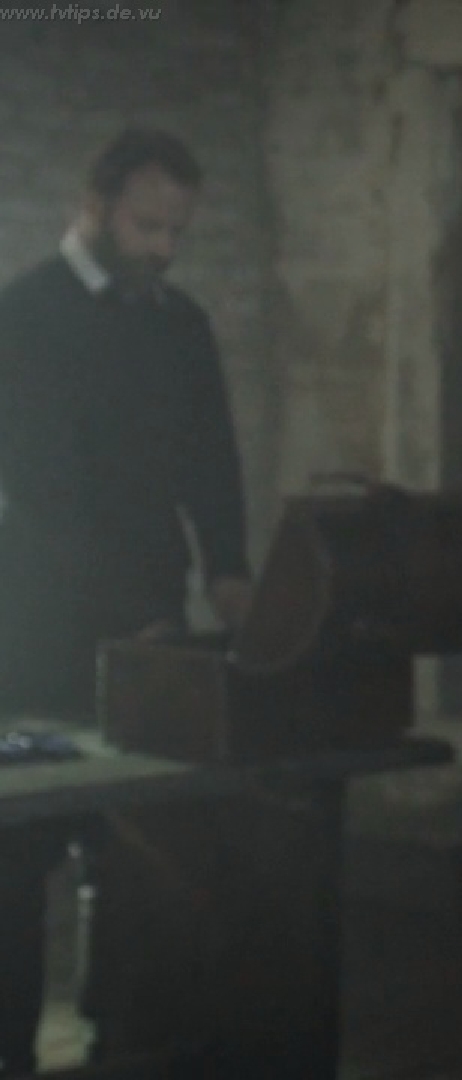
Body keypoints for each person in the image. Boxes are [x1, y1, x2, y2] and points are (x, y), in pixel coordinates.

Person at [0, 127, 255, 1075]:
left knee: (143, 843)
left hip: (153, 627)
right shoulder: (23, 316)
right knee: (19, 854)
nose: (163, 248)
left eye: (177, 231)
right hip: (36, 636)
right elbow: (45, 493)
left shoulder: (179, 322)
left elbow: (212, 456)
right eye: (148, 226)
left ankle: (123, 1046)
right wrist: (126, 614)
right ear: (95, 206)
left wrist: (228, 566)